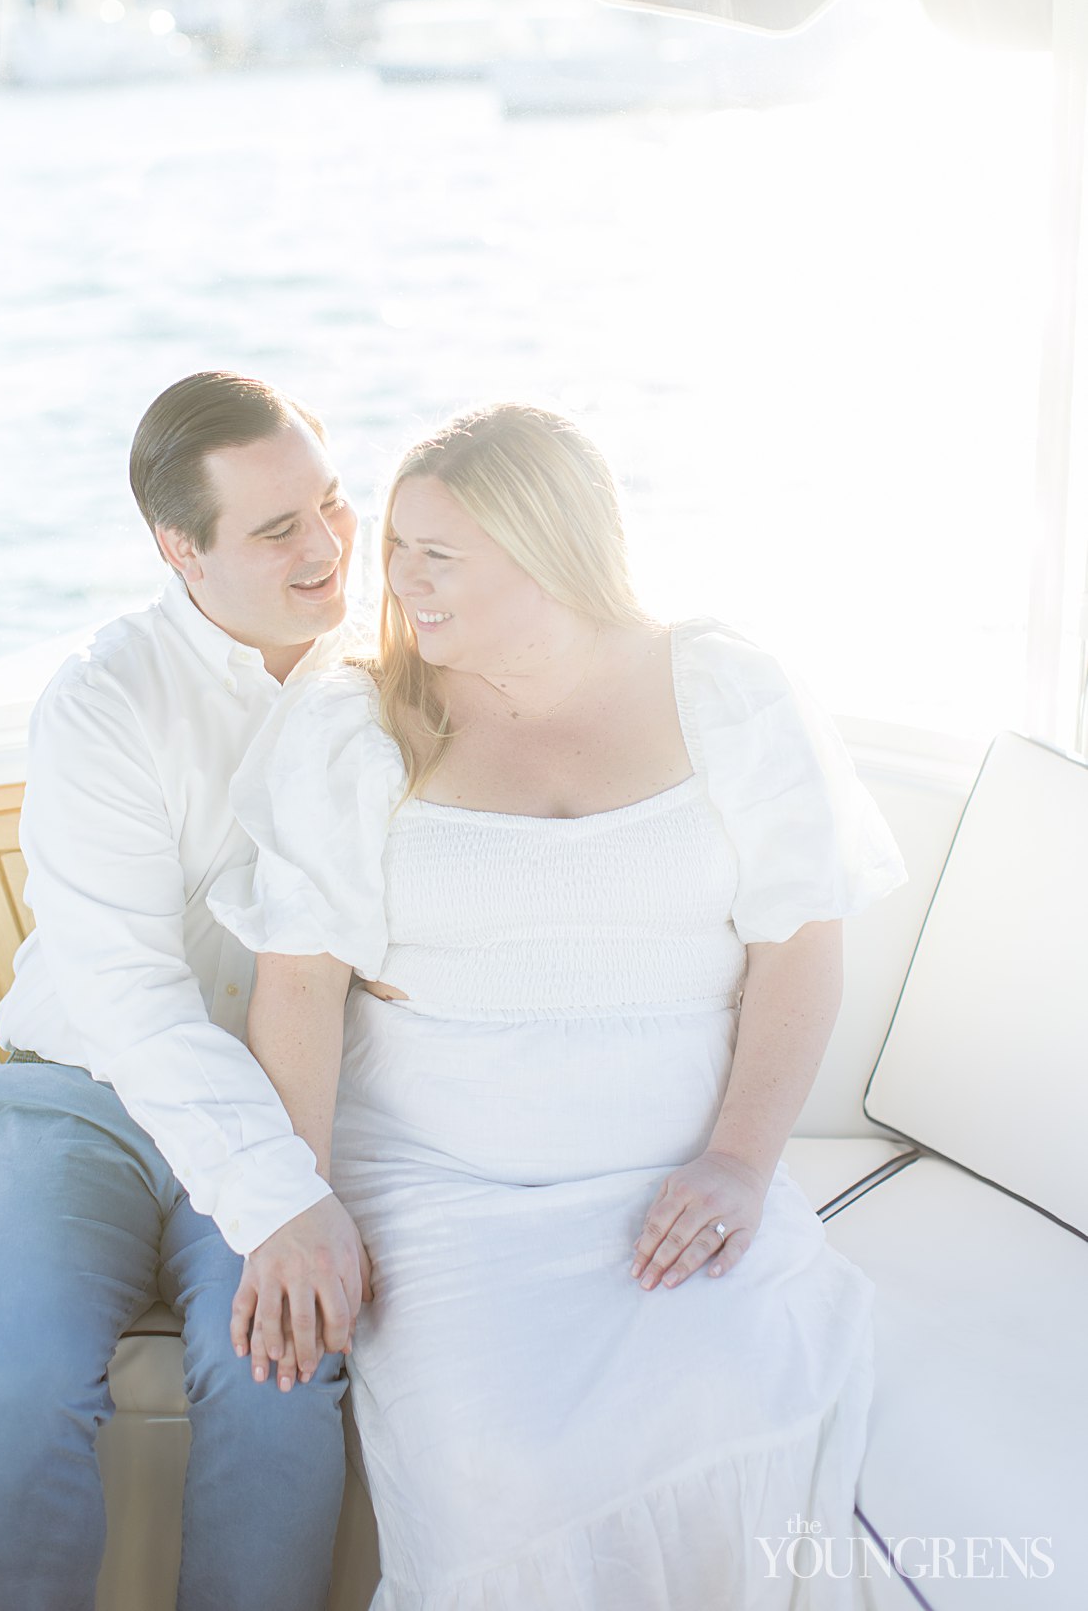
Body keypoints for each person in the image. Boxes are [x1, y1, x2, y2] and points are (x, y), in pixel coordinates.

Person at [208, 399, 910, 1609]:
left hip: (680, 1175)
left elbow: (800, 949)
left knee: (743, 1399)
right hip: (442, 1191)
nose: (401, 581)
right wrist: (296, 1200)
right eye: (400, 549)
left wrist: (740, 1165)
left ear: (550, 550)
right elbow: (303, 984)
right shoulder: (360, 719)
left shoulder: (726, 691)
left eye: (443, 555)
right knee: (500, 1469)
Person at [0, 371, 372, 1611]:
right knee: (17, 1384)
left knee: (283, 1371)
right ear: (179, 550)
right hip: (81, 1099)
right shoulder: (105, 696)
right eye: (278, 528)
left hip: (294, 1092)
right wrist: (282, 1196)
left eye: (334, 506)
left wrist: (293, 1167)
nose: (328, 548)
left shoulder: (387, 671)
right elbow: (127, 994)